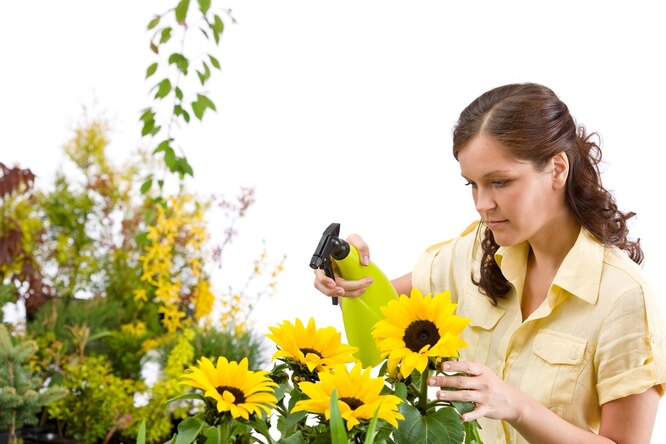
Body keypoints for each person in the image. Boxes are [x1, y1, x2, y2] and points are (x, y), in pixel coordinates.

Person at [313, 83, 665, 443]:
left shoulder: (624, 297)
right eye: (473, 185)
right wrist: (350, 271)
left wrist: (516, 406)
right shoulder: (473, 252)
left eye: (500, 182)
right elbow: (386, 312)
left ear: (558, 169)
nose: (482, 204)